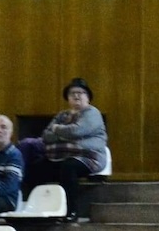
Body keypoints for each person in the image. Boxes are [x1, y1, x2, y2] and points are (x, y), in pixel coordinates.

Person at [21, 78, 107, 221]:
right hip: (61, 156)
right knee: (35, 169)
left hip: (89, 157)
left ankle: (71, 212)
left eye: (81, 92)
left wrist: (57, 130)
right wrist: (67, 135)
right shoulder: (62, 115)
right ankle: (35, 210)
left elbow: (77, 131)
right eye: (72, 93)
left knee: (69, 167)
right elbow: (46, 135)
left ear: (88, 97)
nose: (76, 96)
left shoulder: (92, 113)